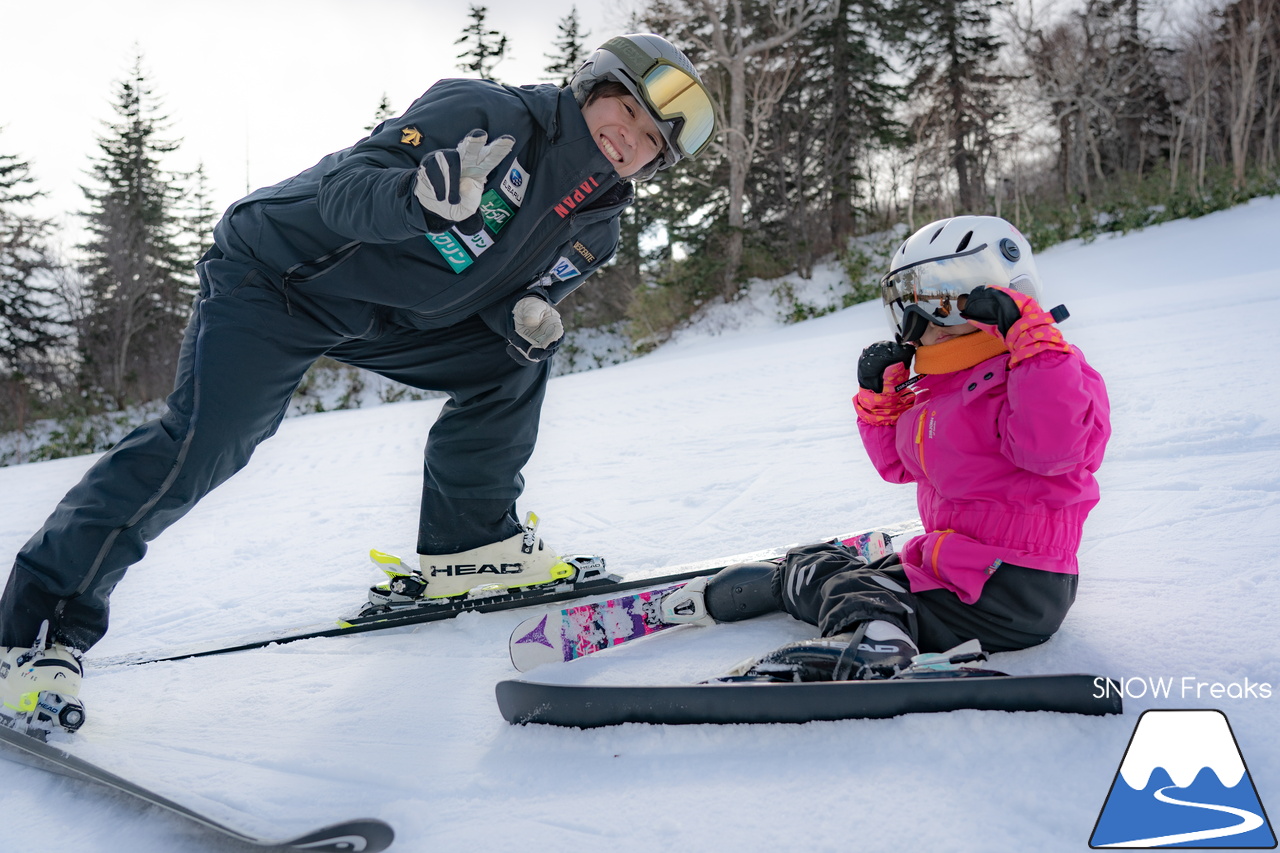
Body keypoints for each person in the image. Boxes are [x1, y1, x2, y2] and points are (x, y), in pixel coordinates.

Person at [0, 34, 717, 734]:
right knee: (207, 445)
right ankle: (32, 632)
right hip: (279, 278)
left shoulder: (598, 229)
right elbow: (344, 190)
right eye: (626, 112)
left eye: (653, 141)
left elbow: (514, 294)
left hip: (388, 317)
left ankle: (469, 546)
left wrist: (522, 317)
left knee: (512, 358)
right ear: (592, 88)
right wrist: (419, 198)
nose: (631, 139)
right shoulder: (488, 116)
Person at [663, 215, 1111, 681]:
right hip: (952, 568)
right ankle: (774, 585)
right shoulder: (942, 390)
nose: (925, 323)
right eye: (910, 305)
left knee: (864, 590)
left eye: (948, 301)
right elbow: (898, 466)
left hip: (1013, 587)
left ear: (1008, 295)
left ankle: (874, 647)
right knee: (823, 563)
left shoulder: (1049, 374)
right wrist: (883, 404)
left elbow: (1052, 450)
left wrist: (1036, 349)